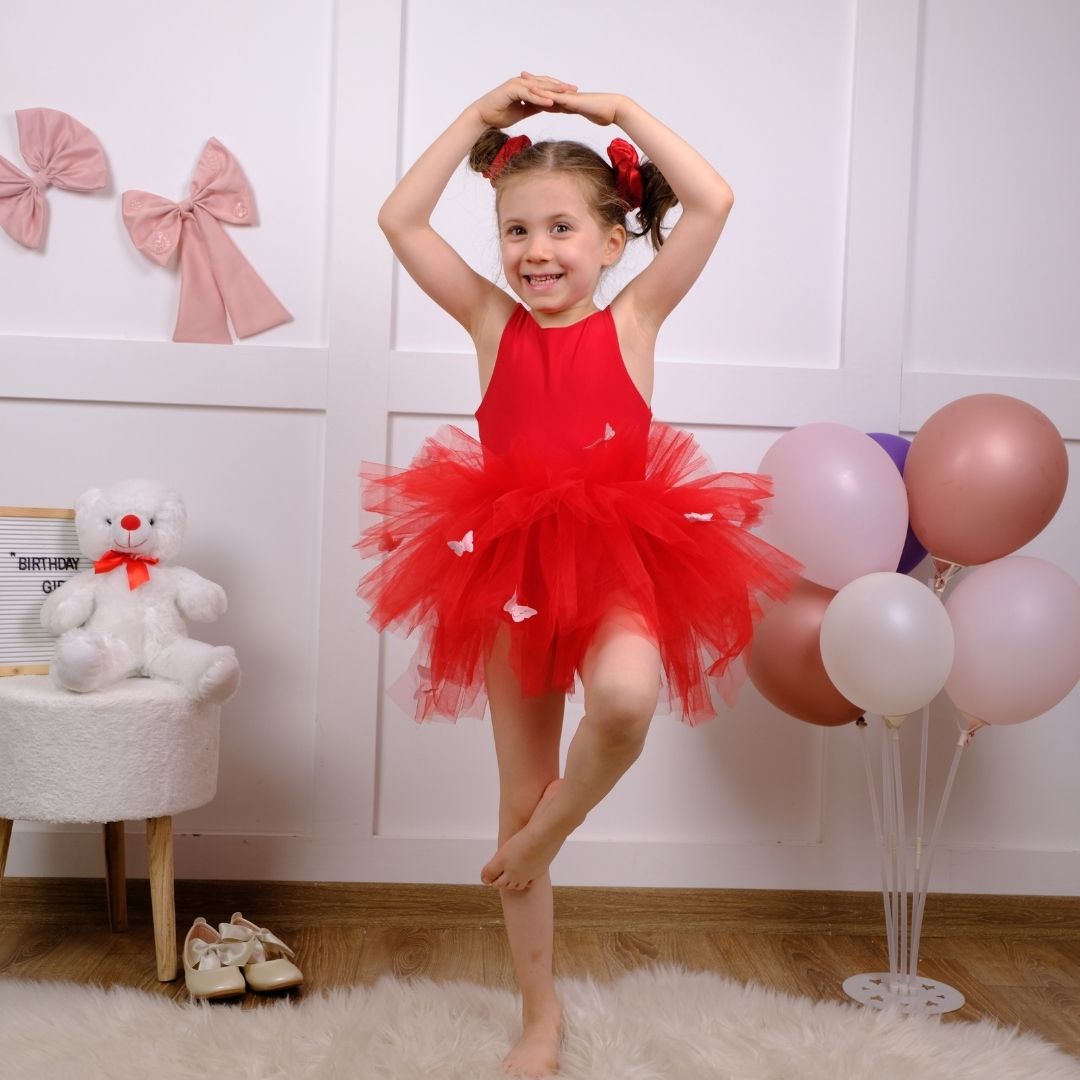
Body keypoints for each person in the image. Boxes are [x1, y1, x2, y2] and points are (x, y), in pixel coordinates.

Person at [359, 73, 798, 1078]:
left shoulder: (634, 321)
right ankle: (540, 1015)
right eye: (516, 232)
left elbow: (715, 199)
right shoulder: (489, 324)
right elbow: (399, 217)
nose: (535, 252)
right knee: (515, 792)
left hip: (615, 561)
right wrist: (479, 118)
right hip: (504, 568)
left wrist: (615, 113)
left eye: (560, 229)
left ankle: (549, 832)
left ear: (611, 239)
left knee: (626, 696)